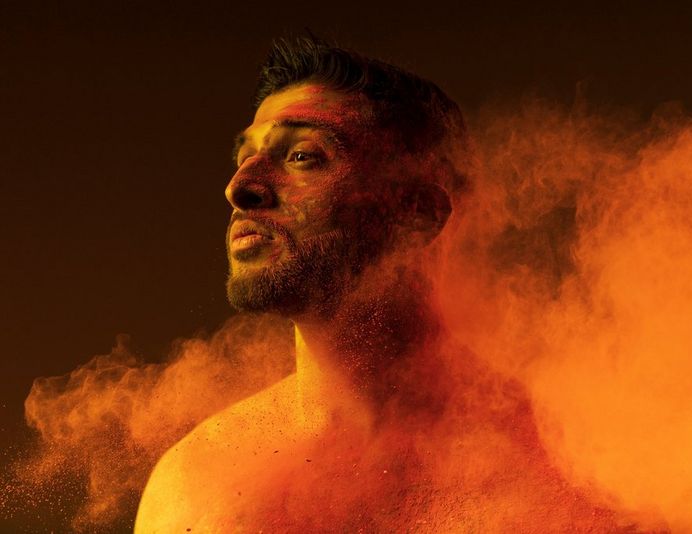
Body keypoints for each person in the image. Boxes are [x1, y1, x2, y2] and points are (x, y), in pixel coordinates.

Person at [134, 37, 622, 532]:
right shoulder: (202, 488)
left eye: (302, 156)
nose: (240, 186)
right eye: (245, 156)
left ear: (416, 214)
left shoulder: (573, 471)